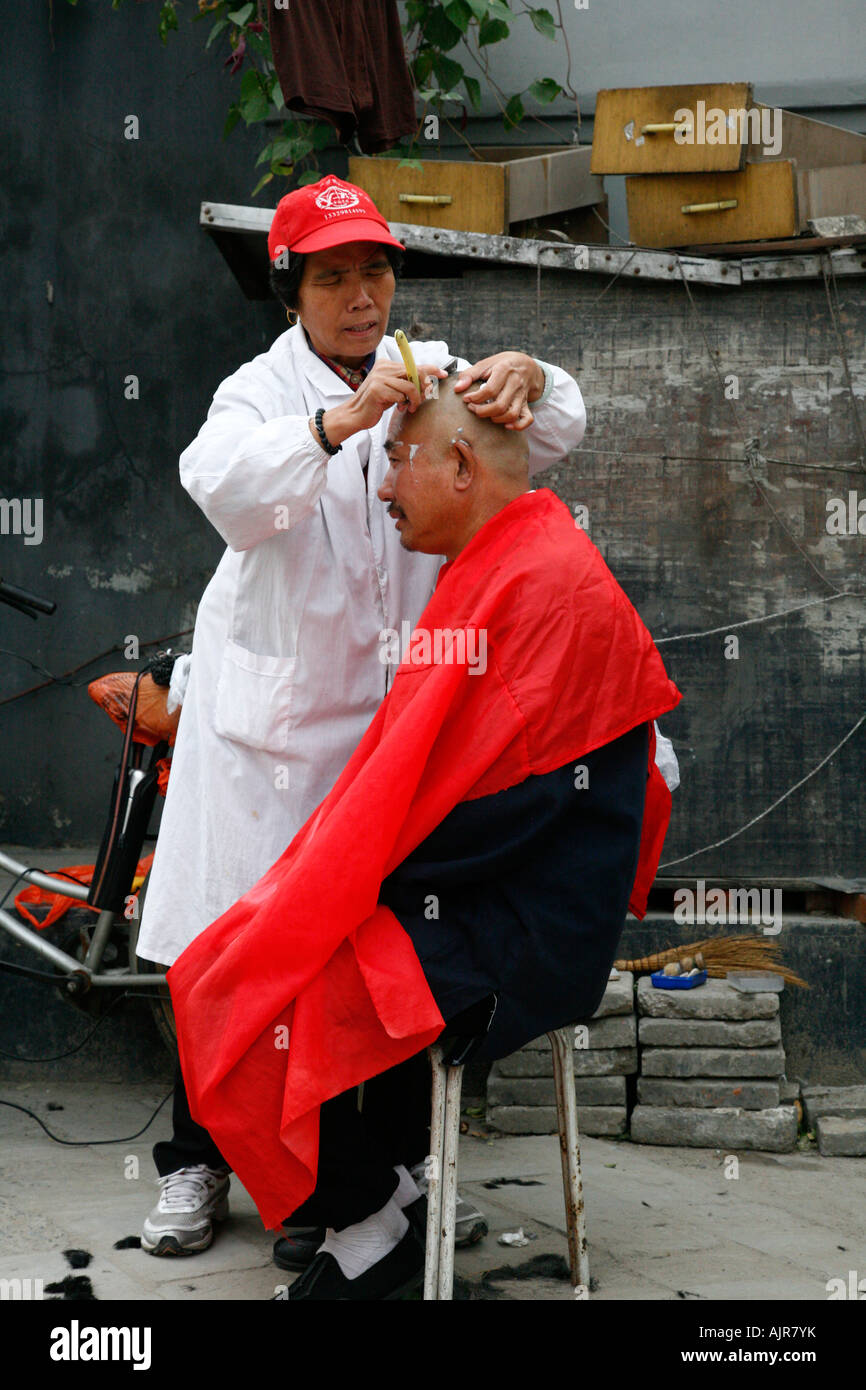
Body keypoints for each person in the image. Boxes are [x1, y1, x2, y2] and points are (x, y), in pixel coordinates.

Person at [135, 174, 588, 1258]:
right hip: (268, 740)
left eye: (375, 271)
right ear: (293, 289)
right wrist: (342, 420)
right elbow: (228, 490)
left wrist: (533, 374)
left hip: (387, 740)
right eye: (333, 275)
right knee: (226, 955)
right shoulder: (256, 391)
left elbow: (553, 427)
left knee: (368, 960)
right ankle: (198, 1163)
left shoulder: (433, 373)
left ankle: (367, 1183)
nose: (359, 295)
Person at [166, 371, 682, 1299]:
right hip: (493, 890)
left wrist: (356, 875)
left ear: (456, 464)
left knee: (255, 989)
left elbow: (527, 808)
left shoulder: (540, 580)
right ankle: (381, 1195)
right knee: (234, 959)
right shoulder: (506, 558)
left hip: (525, 928)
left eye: (396, 461)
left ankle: (368, 1221)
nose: (383, 486)